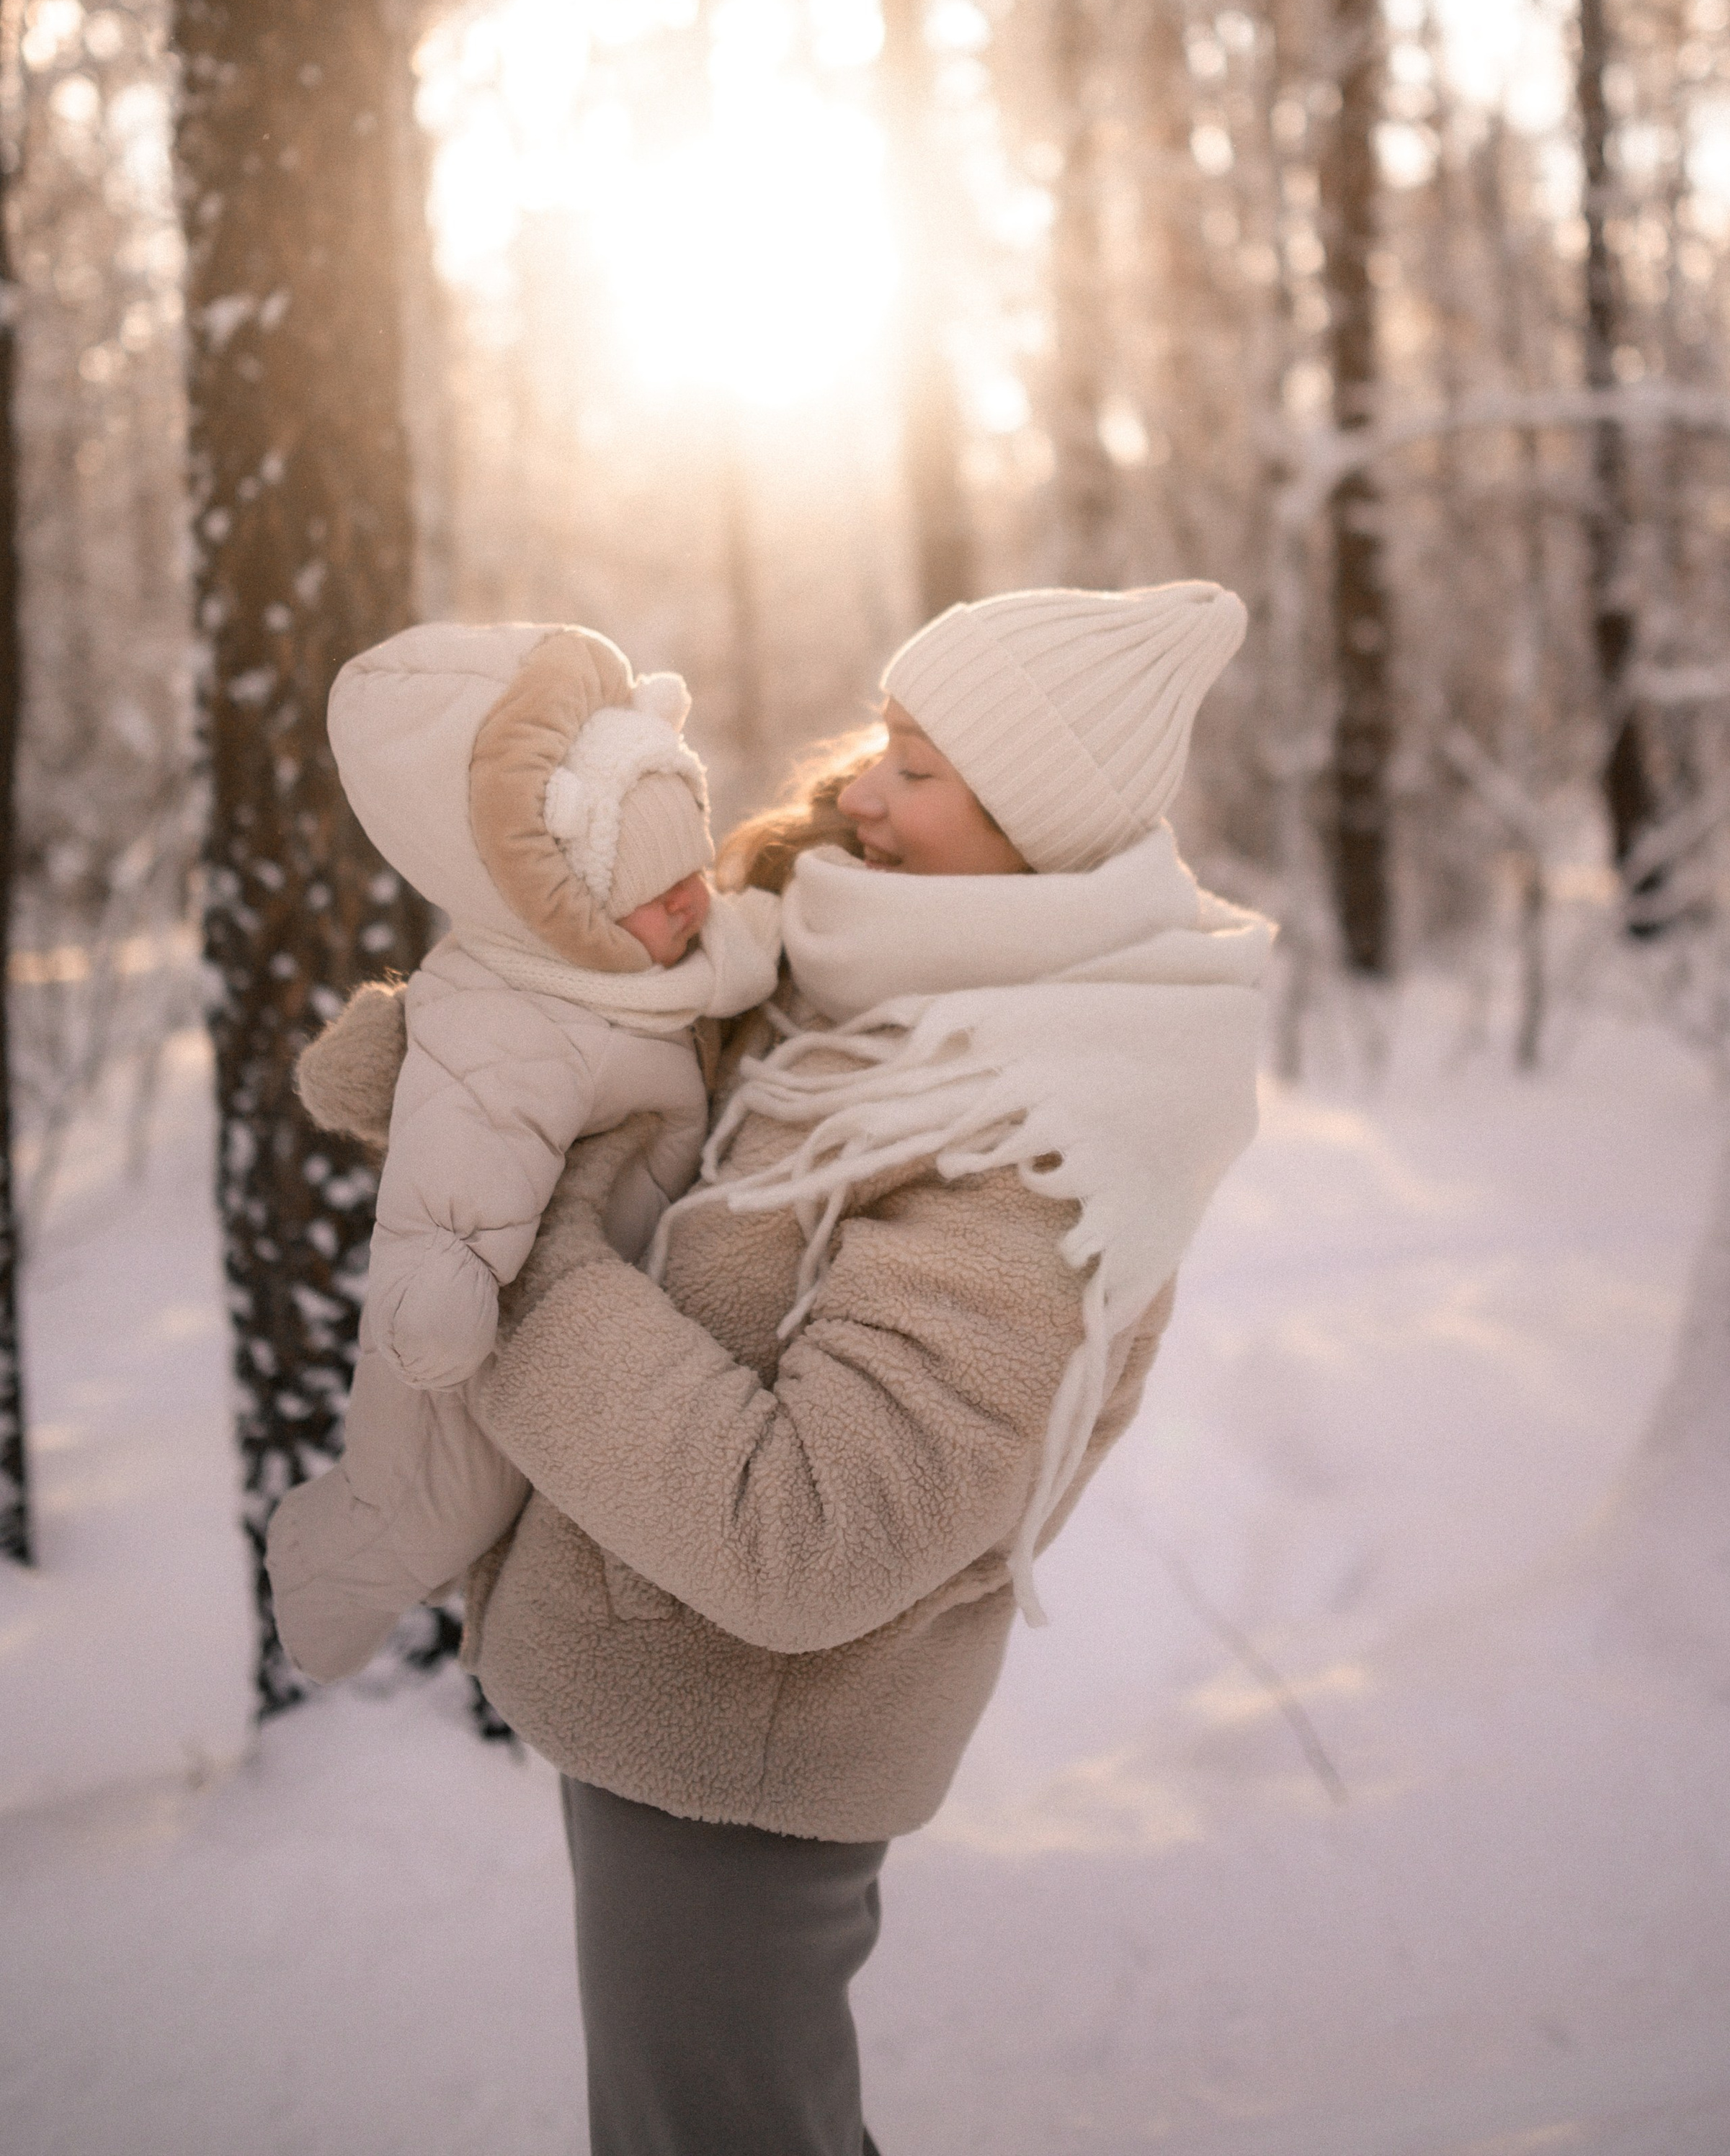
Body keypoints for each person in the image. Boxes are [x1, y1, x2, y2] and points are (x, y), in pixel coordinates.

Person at [298, 580, 1272, 2156]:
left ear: (1030, 823)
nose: (859, 793)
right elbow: (674, 1073)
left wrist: (510, 1258)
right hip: (660, 1691)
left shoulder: (1046, 1124)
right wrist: (459, 1079)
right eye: (884, 742)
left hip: (740, 1764)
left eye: (918, 767)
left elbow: (810, 1534)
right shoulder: (870, 961)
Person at [264, 618, 781, 1685]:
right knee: (434, 1509)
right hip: (462, 1327)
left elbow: (746, 946)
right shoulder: (509, 1014)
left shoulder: (664, 954)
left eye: (692, 862)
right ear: (561, 904)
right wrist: (442, 1285)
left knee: (514, 1503)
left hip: (586, 1306)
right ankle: (324, 1572)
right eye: (654, 887)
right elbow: (460, 1161)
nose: (694, 898)